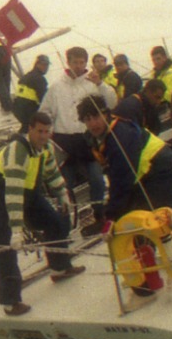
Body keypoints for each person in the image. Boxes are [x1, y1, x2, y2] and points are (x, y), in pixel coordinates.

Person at [0, 111, 84, 315]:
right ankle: (10, 302)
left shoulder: (46, 148)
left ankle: (59, 268)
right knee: (3, 245)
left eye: (47, 131)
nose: (44, 136)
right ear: (30, 130)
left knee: (55, 222)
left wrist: (62, 194)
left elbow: (52, 173)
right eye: (39, 131)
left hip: (28, 190)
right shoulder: (18, 154)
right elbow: (13, 196)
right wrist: (17, 230)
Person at [39, 46, 117, 227]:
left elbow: (112, 102)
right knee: (63, 186)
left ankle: (99, 216)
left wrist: (100, 84)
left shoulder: (92, 84)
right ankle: (64, 222)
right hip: (63, 143)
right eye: (75, 62)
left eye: (82, 62)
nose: (79, 66)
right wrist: (47, 130)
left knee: (97, 179)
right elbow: (45, 111)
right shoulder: (57, 87)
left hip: (86, 141)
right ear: (68, 62)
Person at [78, 96, 172, 224]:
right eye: (87, 119)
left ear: (106, 115)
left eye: (97, 117)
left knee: (145, 225)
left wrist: (111, 216)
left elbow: (122, 180)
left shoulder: (120, 136)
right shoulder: (95, 138)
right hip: (143, 177)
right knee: (129, 222)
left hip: (163, 173)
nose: (93, 123)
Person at [148, 45, 172, 124]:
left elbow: (170, 96)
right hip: (156, 105)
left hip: (168, 108)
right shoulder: (155, 74)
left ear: (165, 58)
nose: (156, 62)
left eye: (158, 59)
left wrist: (151, 97)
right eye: (153, 60)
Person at [11, 54, 50, 131]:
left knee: (26, 127)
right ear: (37, 64)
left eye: (47, 65)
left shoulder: (26, 76)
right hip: (28, 110)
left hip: (17, 108)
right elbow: (44, 99)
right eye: (43, 65)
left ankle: (20, 138)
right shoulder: (40, 79)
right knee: (34, 128)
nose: (46, 67)